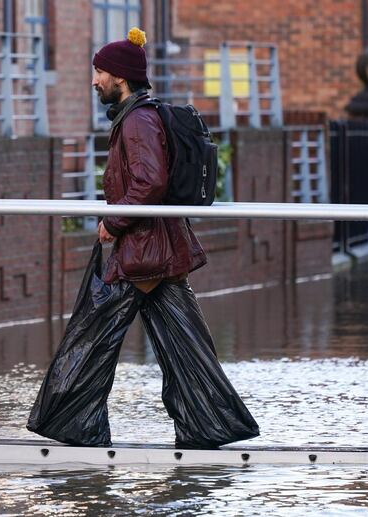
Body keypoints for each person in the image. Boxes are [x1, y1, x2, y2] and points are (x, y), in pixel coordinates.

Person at [27, 28, 260, 449]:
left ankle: (74, 432)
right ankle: (211, 428)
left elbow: (150, 182)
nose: (94, 80)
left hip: (141, 254)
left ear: (120, 76)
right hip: (159, 252)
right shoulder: (138, 117)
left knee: (90, 338)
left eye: (99, 72)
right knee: (186, 346)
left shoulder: (137, 121)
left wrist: (113, 224)